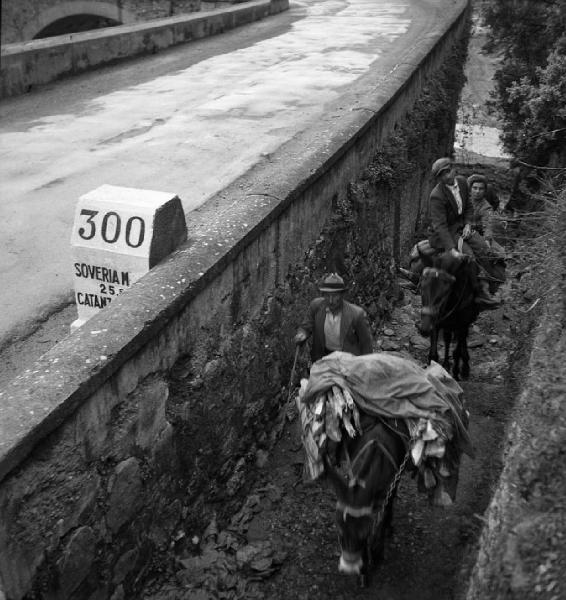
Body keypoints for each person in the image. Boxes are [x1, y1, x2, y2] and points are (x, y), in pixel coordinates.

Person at [427, 157, 500, 307]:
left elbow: (468, 208)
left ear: (453, 169)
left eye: (447, 172)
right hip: (447, 232)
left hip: (463, 228)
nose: (446, 176)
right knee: (468, 258)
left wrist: (468, 224)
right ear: (438, 178)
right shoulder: (437, 196)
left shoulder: (462, 182)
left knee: (485, 249)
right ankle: (479, 294)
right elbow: (440, 225)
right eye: (441, 175)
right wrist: (451, 249)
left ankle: (489, 286)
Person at [294, 273, 373, 362]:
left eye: (335, 295)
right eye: (327, 295)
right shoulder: (316, 306)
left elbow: (366, 344)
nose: (330, 300)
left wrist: (366, 367)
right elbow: (306, 327)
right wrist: (302, 334)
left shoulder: (356, 314)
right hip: (323, 358)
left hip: (348, 360)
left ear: (342, 295)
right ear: (323, 295)